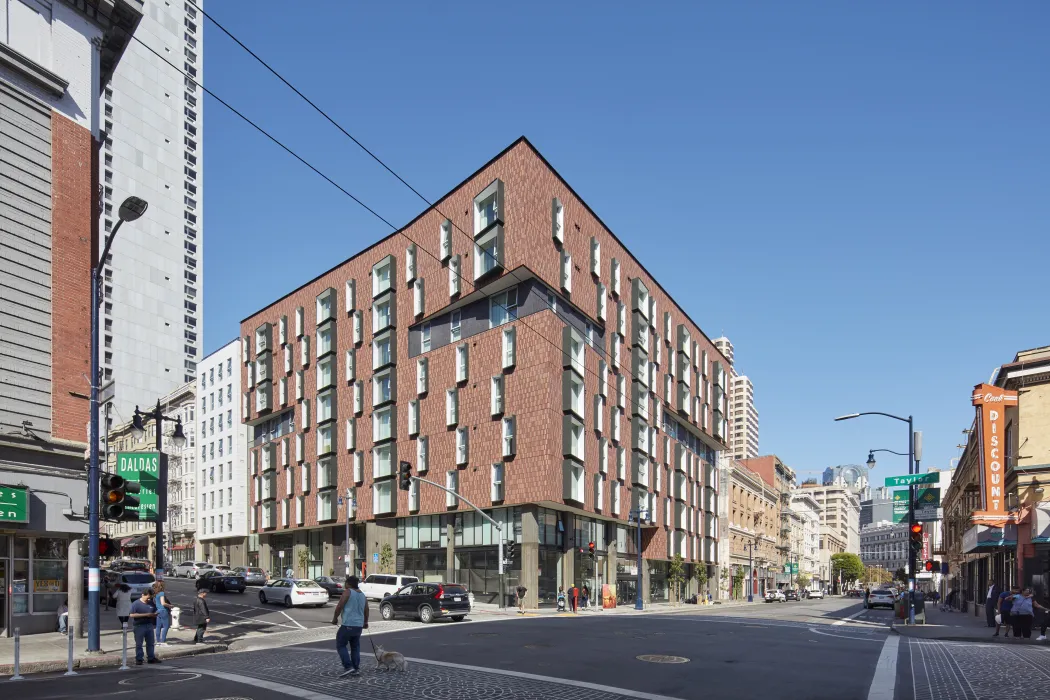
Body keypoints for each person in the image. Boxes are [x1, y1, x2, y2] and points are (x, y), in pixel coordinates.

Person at [331, 575, 369, 678]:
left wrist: (335, 618)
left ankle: (348, 666)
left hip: (348, 624)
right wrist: (365, 622)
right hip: (358, 626)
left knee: (341, 644)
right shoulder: (362, 595)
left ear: (348, 583)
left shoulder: (347, 592)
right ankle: (356, 668)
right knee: (355, 646)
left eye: (346, 583)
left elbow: (339, 606)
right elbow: (366, 610)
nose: (344, 584)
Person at [129, 590, 160, 665]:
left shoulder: (151, 603)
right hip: (139, 625)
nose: (148, 600)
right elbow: (131, 615)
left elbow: (155, 610)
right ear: (143, 595)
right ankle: (139, 658)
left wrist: (155, 614)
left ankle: (151, 657)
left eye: (150, 598)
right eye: (147, 598)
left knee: (150, 643)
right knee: (139, 643)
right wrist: (146, 614)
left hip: (149, 625)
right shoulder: (136, 604)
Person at [153, 581, 173, 645]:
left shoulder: (156, 593)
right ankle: (163, 640)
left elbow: (156, 603)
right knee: (165, 626)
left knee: (158, 626)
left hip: (158, 610)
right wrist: (170, 606)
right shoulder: (161, 593)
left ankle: (158, 640)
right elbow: (163, 603)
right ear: (161, 586)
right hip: (164, 611)